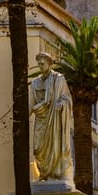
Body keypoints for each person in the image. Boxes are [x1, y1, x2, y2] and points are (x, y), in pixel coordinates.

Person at [29, 52, 74, 183]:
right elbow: (30, 103)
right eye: (39, 64)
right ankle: (43, 174)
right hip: (41, 119)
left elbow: (67, 98)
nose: (40, 66)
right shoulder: (35, 83)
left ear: (49, 64)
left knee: (55, 146)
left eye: (42, 64)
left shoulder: (59, 79)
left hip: (54, 120)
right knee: (38, 149)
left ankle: (55, 174)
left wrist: (62, 103)